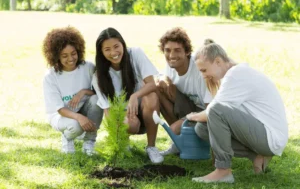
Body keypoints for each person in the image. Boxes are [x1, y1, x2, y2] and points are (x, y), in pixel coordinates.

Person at [187, 42, 288, 183]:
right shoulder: (236, 73)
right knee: (203, 129)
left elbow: (213, 111)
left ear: (218, 61)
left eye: (204, 70)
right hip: (263, 134)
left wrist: (192, 116)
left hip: (270, 137)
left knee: (216, 110)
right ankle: (256, 155)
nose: (204, 76)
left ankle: (223, 171)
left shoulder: (236, 75)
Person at [92, 27, 163, 164]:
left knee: (151, 96)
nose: (113, 53)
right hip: (127, 119)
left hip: (145, 111)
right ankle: (125, 143)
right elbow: (108, 111)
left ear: (122, 44)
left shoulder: (135, 54)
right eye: (107, 49)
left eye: (116, 46)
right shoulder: (98, 76)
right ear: (101, 52)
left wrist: (135, 96)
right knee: (130, 124)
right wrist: (117, 137)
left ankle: (152, 147)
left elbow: (152, 84)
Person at [42, 26, 103, 156]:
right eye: (64, 55)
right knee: (75, 126)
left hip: (83, 109)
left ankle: (89, 142)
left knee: (97, 100)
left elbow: (99, 94)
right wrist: (79, 117)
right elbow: (59, 109)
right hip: (60, 115)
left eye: (73, 53)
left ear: (79, 51)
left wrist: (84, 92)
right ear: (55, 56)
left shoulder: (88, 67)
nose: (70, 59)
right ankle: (67, 137)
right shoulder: (50, 76)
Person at [156, 27, 212, 156]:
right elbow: (160, 76)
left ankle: (183, 138)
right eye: (167, 50)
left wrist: (185, 121)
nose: (172, 55)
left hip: (205, 114)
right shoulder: (171, 65)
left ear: (187, 52)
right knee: (158, 89)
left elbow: (212, 110)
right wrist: (163, 79)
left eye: (177, 50)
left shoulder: (199, 69)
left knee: (175, 128)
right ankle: (179, 140)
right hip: (189, 107)